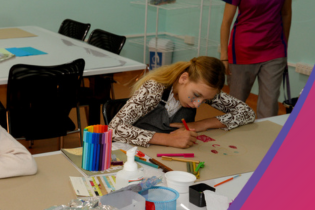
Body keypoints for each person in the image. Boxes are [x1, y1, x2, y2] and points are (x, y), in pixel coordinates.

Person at [108, 56, 255, 148]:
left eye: (205, 100)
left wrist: (201, 124)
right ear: (183, 79)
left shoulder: (206, 90)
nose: (197, 104)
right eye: (196, 95)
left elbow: (247, 113)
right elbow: (114, 128)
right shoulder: (154, 89)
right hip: (136, 153)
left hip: (170, 154)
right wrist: (169, 139)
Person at [220, 0, 297, 119]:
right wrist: (224, 57)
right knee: (236, 105)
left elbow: (286, 13)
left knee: (270, 104)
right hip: (243, 51)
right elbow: (226, 22)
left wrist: (284, 46)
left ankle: (265, 139)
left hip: (274, 50)